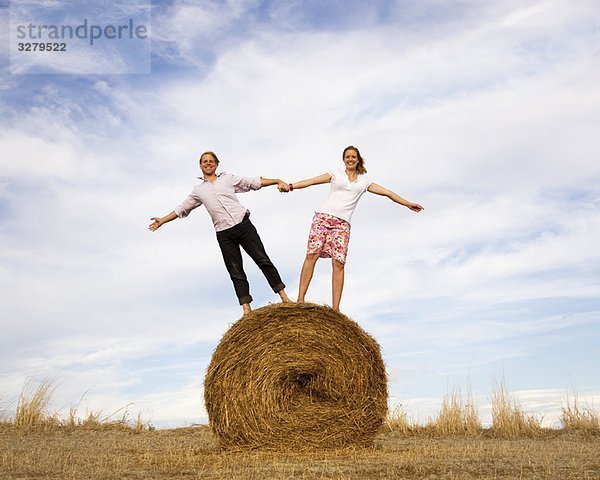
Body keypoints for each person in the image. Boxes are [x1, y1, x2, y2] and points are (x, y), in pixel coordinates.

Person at [149, 151, 291, 315]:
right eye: (204, 161)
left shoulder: (228, 178)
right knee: (235, 271)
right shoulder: (198, 191)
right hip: (224, 234)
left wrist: (276, 181)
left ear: (216, 164)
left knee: (262, 259)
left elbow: (252, 182)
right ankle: (246, 309)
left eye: (211, 161)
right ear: (200, 165)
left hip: (243, 225)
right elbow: (182, 208)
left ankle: (284, 297)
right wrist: (162, 220)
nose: (208, 163)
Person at [284, 145, 423, 311]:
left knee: (339, 263)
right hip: (323, 217)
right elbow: (311, 181)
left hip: (343, 223)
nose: (350, 159)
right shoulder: (335, 173)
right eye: (347, 157)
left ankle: (335, 308)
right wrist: (291, 186)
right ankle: (300, 299)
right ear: (344, 159)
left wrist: (407, 204)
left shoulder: (364, 181)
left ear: (358, 160)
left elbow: (388, 193)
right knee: (311, 255)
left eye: (353, 157)